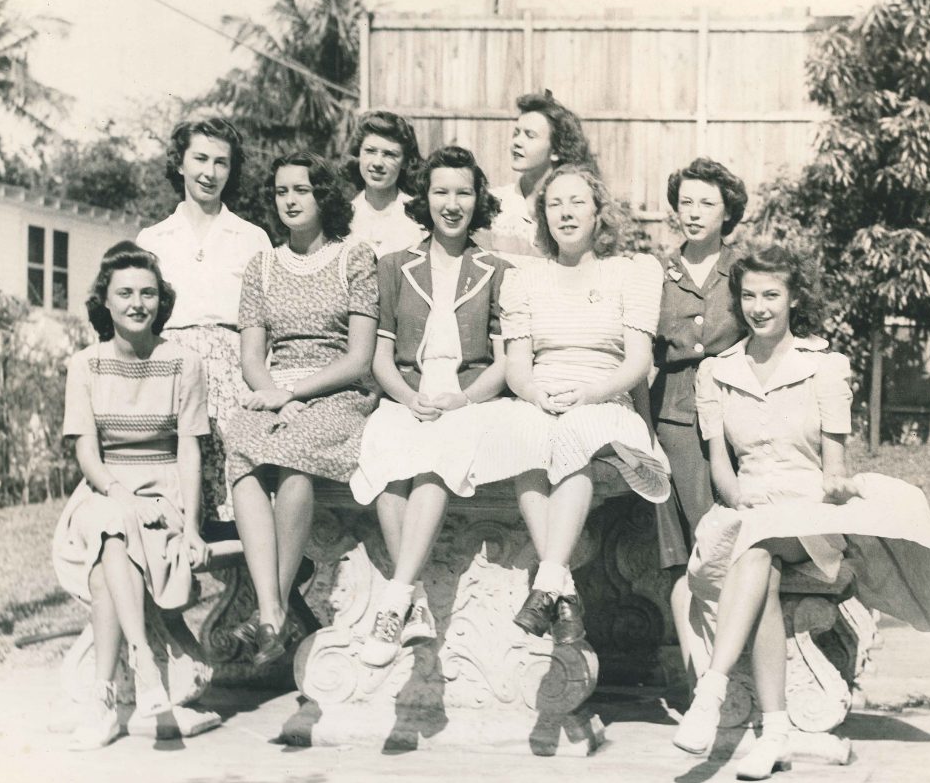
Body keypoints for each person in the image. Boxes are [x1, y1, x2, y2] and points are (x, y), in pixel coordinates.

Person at [673, 245, 930, 780]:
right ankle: (775, 732)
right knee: (758, 556)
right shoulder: (716, 371)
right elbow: (722, 469)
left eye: (771, 295)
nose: (759, 307)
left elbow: (832, 466)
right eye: (749, 295)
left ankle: (709, 694)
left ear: (794, 298)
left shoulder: (825, 367)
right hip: (747, 510)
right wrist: (739, 500)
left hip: (810, 515)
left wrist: (838, 485)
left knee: (759, 548)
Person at [490, 164, 671, 645]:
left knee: (571, 435)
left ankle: (547, 581)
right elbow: (517, 367)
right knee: (524, 436)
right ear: (543, 217)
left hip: (605, 399)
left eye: (577, 203)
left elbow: (637, 362)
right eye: (554, 204)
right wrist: (533, 393)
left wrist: (591, 393)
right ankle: (561, 588)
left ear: (598, 214)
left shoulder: (628, 274)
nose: (565, 213)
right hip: (544, 397)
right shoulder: (524, 280)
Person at [349, 145, 513, 667]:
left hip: (469, 397)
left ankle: (395, 597)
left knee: (438, 452)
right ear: (425, 198)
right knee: (385, 445)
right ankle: (414, 598)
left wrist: (460, 399)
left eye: (463, 192)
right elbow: (379, 359)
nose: (451, 203)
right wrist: (406, 397)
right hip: (407, 390)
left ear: (477, 199)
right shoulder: (396, 266)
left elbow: (504, 363)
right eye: (441, 191)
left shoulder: (497, 269)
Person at [52, 243, 211, 750]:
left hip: (164, 492)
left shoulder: (184, 363)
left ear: (160, 301)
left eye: (147, 293)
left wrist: (190, 525)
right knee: (107, 521)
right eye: (125, 293)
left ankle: (103, 699)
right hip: (104, 487)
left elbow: (189, 451)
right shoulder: (85, 365)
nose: (137, 303)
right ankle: (144, 661)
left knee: (109, 551)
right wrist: (122, 495)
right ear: (106, 301)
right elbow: (87, 454)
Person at [225, 152, 379, 668]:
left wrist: (295, 396)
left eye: (301, 190)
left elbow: (359, 358)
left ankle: (269, 611)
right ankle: (273, 609)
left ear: (324, 197)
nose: (289, 200)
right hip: (277, 389)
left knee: (293, 457)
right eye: (280, 192)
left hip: (337, 392)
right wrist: (274, 394)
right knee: (242, 448)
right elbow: (251, 357)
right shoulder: (262, 265)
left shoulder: (353, 257)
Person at [136, 117, 272, 530]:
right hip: (169, 371)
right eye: (199, 158)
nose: (209, 172)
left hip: (234, 372)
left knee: (245, 484)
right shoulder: (153, 239)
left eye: (221, 162)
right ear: (179, 163)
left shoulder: (251, 238)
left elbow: (266, 325)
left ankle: (256, 583)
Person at [649, 157, 748, 678]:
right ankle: (697, 674)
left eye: (707, 203)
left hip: (737, 419)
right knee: (684, 550)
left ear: (727, 211)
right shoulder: (656, 274)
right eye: (685, 202)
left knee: (734, 544)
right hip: (672, 421)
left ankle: (736, 673)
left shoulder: (745, 274)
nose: (693, 212)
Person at [476, 91, 598, 260]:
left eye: (530, 135)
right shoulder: (493, 204)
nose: (517, 142)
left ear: (556, 150)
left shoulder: (573, 212)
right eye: (516, 133)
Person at [345, 110, 425, 257]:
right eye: (370, 151)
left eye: (389, 154)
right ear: (358, 155)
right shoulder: (344, 215)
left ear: (405, 162)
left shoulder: (420, 218)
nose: (377, 163)